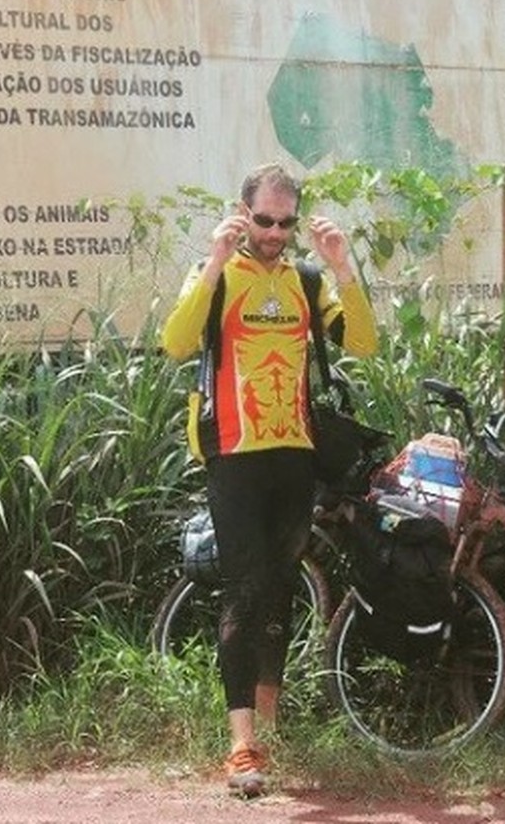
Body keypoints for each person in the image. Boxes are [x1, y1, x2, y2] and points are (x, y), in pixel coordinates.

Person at [161, 162, 378, 797]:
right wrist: (213, 261)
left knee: (281, 589)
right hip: (233, 454)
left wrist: (340, 265)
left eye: (286, 223)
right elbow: (176, 343)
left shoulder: (307, 283)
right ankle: (240, 744)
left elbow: (362, 344)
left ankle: (269, 729)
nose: (276, 233)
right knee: (244, 589)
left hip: (295, 455)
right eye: (264, 221)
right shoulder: (219, 278)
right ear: (242, 212)